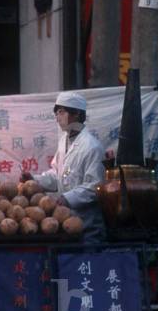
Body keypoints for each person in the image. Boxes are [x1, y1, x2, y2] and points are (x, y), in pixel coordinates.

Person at [22, 91, 107, 244]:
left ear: (76, 114)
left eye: (61, 112)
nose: (57, 117)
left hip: (87, 226)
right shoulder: (64, 142)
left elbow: (95, 187)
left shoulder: (92, 147)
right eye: (56, 113)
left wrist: (67, 198)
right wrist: (35, 179)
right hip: (65, 223)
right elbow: (58, 174)